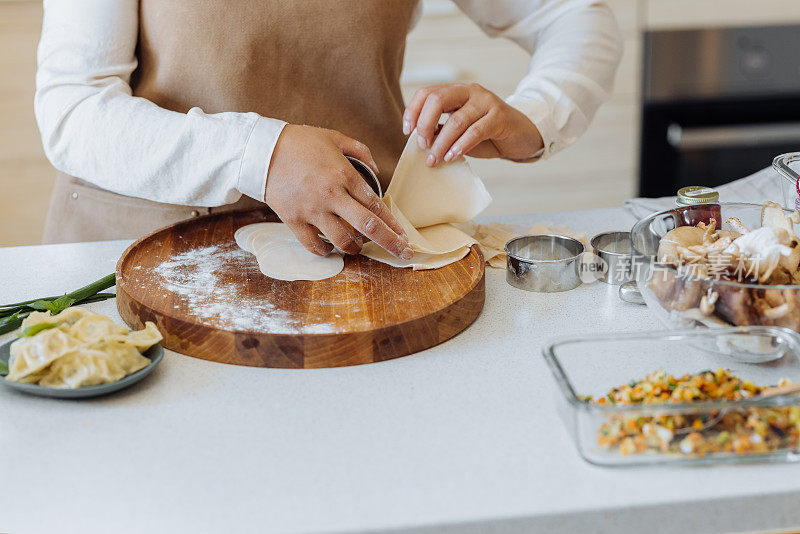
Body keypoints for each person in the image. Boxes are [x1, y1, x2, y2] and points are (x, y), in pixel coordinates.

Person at [35, 0, 622, 259]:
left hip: (358, 260)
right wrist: (259, 155)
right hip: (139, 255)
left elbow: (572, 14)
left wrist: (537, 114)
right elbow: (72, 107)